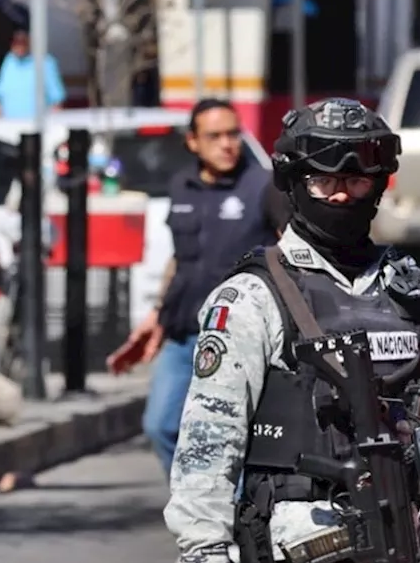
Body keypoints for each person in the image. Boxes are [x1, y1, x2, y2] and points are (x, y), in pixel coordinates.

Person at [163, 98, 420, 563]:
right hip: (308, 541)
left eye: (357, 176)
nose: (343, 193)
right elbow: (209, 437)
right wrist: (201, 559)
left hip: (396, 542)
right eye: (325, 178)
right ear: (294, 182)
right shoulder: (251, 296)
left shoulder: (404, 291)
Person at [107, 98, 290, 478]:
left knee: (231, 435)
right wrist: (157, 315)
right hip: (183, 334)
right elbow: (180, 260)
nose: (227, 144)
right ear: (192, 142)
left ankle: (239, 519)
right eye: (214, 136)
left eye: (232, 134)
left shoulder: (263, 185)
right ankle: (201, 509)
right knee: (161, 426)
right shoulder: (182, 186)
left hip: (238, 338)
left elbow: (293, 251)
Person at [0, 28, 66, 119]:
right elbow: (0, 91)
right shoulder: (9, 61)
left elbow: (57, 99)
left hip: (37, 125)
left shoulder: (46, 62)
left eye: (23, 43)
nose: (19, 47)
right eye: (16, 43)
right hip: (10, 124)